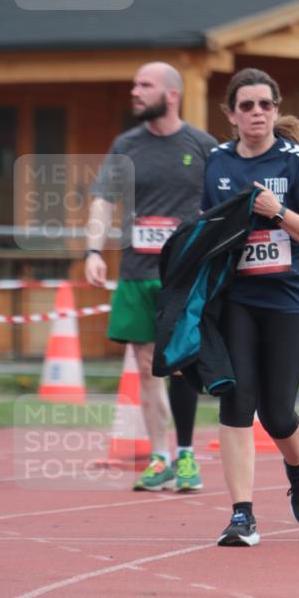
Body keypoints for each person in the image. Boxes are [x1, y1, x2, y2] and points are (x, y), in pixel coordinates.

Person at [200, 67, 299, 547]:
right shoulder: (216, 163)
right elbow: (205, 227)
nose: (257, 113)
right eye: (247, 105)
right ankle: (241, 514)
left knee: (277, 413)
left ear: (277, 110)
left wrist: (277, 211)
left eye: (266, 105)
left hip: (291, 299)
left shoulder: (297, 161)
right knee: (237, 400)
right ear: (231, 114)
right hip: (237, 299)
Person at [84, 62, 216, 490]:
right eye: (134, 83)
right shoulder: (126, 145)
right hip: (137, 270)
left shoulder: (201, 145)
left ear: (171, 94)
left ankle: (187, 456)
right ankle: (159, 456)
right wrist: (92, 249)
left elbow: (222, 205)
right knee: (145, 366)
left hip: (182, 274)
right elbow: (103, 201)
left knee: (178, 364)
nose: (135, 92)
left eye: (145, 85)